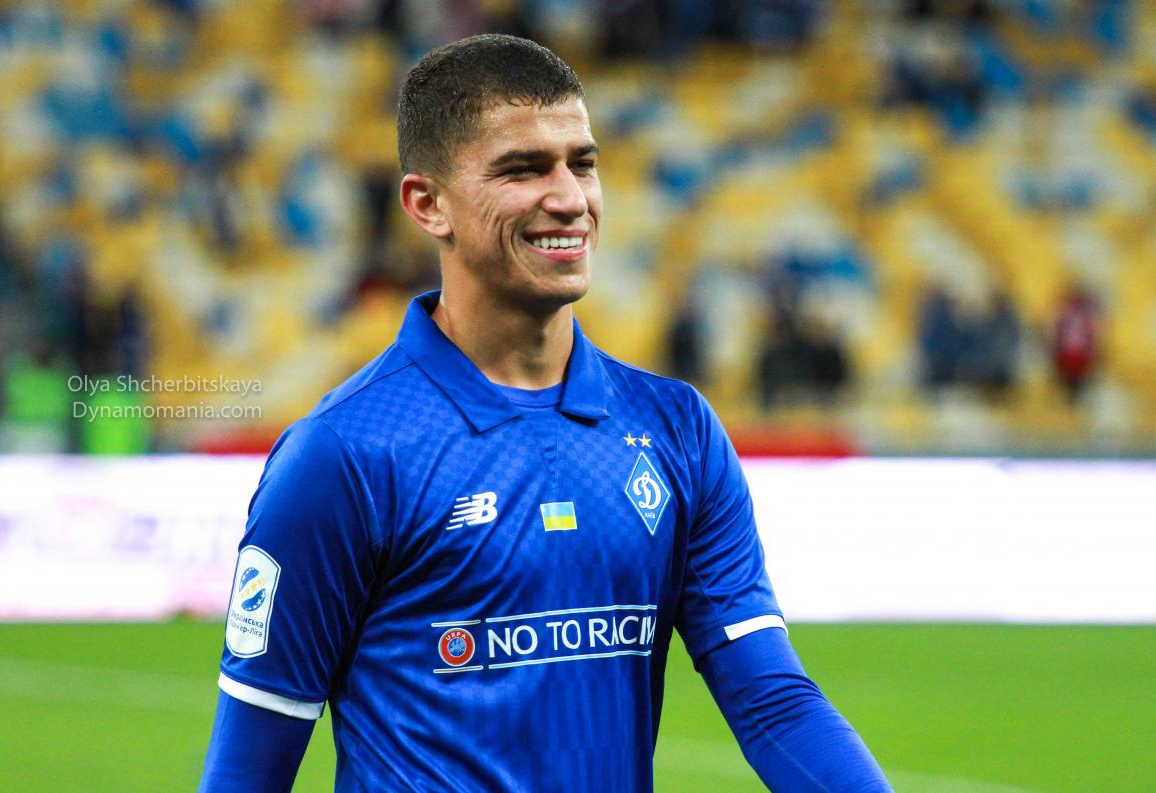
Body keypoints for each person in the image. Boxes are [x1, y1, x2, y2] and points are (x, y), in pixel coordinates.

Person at [198, 34, 892, 792]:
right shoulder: (344, 454)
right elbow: (245, 775)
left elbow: (774, 704)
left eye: (582, 164)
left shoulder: (678, 429)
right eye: (523, 169)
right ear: (428, 204)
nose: (569, 198)